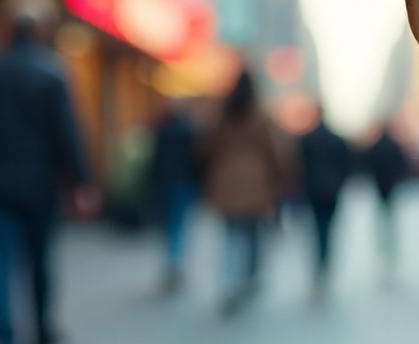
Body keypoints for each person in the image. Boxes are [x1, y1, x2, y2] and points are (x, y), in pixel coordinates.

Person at [0, 0, 96, 344]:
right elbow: (67, 134)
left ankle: (4, 341)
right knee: (38, 259)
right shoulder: (51, 73)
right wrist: (81, 182)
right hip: (39, 185)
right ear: (40, 32)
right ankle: (42, 329)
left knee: (1, 260)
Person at [200, 71, 285, 313]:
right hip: (256, 184)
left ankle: (231, 282)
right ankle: (248, 277)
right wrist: (281, 176)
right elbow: (275, 151)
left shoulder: (222, 115)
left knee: (232, 235)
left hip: (225, 183)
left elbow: (206, 148)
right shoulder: (260, 116)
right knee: (252, 233)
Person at [147, 99, 199, 294]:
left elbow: (156, 157)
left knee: (168, 225)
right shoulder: (189, 130)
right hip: (183, 182)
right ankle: (175, 260)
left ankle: (171, 260)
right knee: (179, 224)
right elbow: (196, 160)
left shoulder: (162, 129)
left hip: (164, 181)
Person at [298, 107, 351, 292]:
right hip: (332, 191)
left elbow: (300, 167)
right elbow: (347, 165)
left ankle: (319, 263)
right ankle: (325, 260)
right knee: (329, 228)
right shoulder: (338, 140)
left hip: (314, 191)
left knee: (317, 228)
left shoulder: (307, 139)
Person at [364, 122, 409, 272]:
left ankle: (383, 240)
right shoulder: (394, 145)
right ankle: (389, 240)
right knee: (389, 213)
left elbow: (368, 163)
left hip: (379, 184)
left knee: (382, 212)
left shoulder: (376, 146)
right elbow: (402, 163)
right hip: (391, 184)